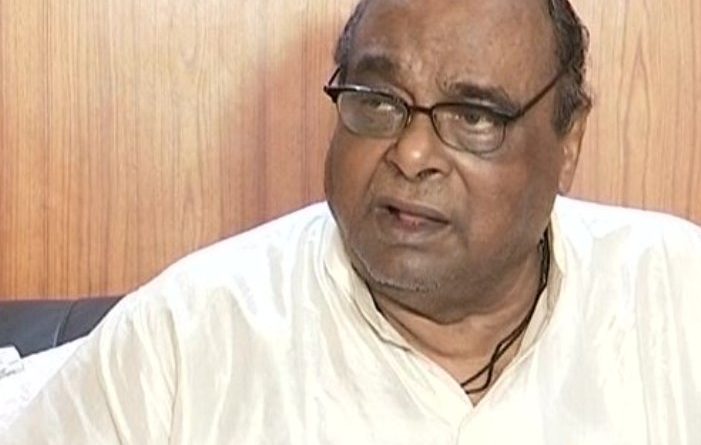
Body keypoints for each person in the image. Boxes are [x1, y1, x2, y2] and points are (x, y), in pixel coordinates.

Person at [3, 0, 700, 442]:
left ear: (568, 141)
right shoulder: (185, 339)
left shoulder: (677, 300)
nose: (412, 153)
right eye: (376, 99)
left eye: (473, 115)